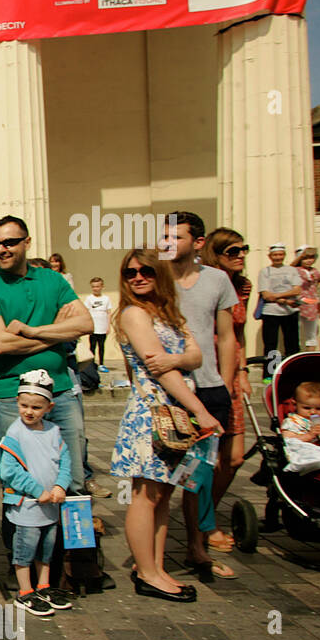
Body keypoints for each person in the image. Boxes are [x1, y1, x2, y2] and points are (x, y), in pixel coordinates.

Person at [109, 249, 222, 600]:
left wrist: (177, 357)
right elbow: (164, 371)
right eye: (130, 273)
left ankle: (157, 567)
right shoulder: (133, 314)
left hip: (175, 415)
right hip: (153, 415)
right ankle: (147, 572)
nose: (138, 277)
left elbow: (196, 355)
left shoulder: (169, 313)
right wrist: (201, 410)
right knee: (146, 495)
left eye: (146, 271)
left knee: (164, 493)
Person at [0, 215, 92, 497]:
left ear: (27, 242)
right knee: (18, 479)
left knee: (73, 477)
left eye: (10, 242)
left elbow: (86, 324)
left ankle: (74, 540)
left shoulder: (53, 279)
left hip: (60, 393)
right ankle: (23, 541)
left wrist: (28, 331)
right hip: (11, 395)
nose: (1, 249)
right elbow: (0, 344)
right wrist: (58, 334)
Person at [161, 211, 238, 580]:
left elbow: (226, 335)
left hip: (209, 387)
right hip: (169, 389)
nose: (168, 243)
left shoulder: (218, 279)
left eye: (176, 236)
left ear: (199, 243)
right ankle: (157, 557)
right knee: (163, 475)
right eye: (165, 236)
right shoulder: (155, 277)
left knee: (201, 473)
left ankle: (196, 546)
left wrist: (225, 382)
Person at [0, 370, 74, 617]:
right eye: (24, 405)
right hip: (28, 506)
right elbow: (8, 470)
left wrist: (60, 485)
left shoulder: (53, 431)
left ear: (48, 407)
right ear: (17, 403)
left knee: (46, 550)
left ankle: (43, 585)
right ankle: (25, 590)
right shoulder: (15, 433)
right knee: (25, 550)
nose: (29, 411)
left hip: (50, 506)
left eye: (36, 407)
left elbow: (65, 461)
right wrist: (37, 490)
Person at [200, 229, 252, 554]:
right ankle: (204, 523)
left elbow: (240, 333)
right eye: (232, 251)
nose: (240, 255)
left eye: (242, 249)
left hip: (232, 375)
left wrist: (243, 371)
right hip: (208, 373)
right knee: (208, 459)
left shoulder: (243, 286)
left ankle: (208, 511)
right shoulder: (206, 282)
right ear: (215, 254)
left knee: (233, 458)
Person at [257, 243, 301, 364]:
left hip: (290, 312)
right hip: (271, 312)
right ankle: (269, 375)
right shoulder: (265, 271)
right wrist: (286, 300)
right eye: (275, 255)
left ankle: (293, 372)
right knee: (271, 346)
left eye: (280, 254)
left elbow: (297, 290)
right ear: (270, 256)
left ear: (284, 255)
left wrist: (276, 296)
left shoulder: (292, 270)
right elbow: (265, 294)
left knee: (292, 344)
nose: (278, 257)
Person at [293, 246, 320, 352]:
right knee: (297, 333)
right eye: (306, 258)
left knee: (311, 334)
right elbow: (290, 267)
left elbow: (318, 281)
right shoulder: (296, 270)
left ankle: (310, 356)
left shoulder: (315, 271)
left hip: (312, 304)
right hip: (298, 303)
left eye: (311, 257)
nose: (309, 260)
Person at [84, 277, 111, 372]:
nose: (95, 288)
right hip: (93, 327)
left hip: (102, 327)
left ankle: (101, 364)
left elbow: (108, 313)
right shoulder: (89, 298)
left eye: (97, 286)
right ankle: (91, 365)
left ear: (102, 287)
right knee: (92, 346)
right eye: (93, 287)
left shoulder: (106, 299)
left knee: (101, 346)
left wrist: (108, 326)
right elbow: (86, 312)